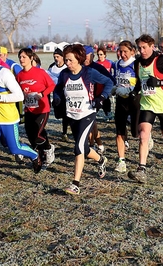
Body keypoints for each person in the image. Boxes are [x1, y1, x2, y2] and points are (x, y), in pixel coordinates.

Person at [0, 47, 42, 195]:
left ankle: (35, 156)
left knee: (14, 149)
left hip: (8, 120)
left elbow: (19, 96)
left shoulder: (4, 73)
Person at [52, 44, 113, 195]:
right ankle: (101, 160)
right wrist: (57, 99)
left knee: (78, 148)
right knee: (84, 149)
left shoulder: (89, 72)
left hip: (87, 114)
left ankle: (75, 184)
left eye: (70, 60)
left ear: (79, 59)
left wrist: (102, 97)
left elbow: (109, 82)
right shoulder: (64, 74)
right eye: (66, 60)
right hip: (72, 115)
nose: (67, 63)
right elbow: (58, 88)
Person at [127, 34, 163, 183]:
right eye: (140, 48)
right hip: (147, 104)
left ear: (152, 47)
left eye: (144, 47)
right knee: (144, 135)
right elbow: (139, 82)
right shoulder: (138, 63)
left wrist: (159, 83)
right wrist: (135, 91)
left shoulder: (162, 61)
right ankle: (141, 169)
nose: (142, 51)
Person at [16, 48, 56, 168]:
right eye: (20, 57)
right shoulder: (20, 75)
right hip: (29, 109)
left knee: (37, 134)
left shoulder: (40, 72)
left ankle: (48, 148)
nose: (21, 59)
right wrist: (22, 96)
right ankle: (41, 158)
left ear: (31, 58)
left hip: (42, 110)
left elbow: (51, 85)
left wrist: (42, 94)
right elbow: (18, 90)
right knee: (31, 136)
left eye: (24, 57)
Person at [84, 45, 116, 153]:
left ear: (92, 56)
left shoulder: (98, 68)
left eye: (87, 56)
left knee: (91, 123)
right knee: (91, 123)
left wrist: (103, 95)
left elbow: (111, 81)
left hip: (97, 98)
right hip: (84, 101)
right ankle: (96, 144)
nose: (85, 58)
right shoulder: (78, 68)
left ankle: (95, 144)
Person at [112, 40, 138, 173]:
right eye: (120, 51)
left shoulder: (136, 64)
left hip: (134, 101)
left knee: (135, 132)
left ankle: (147, 135)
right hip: (121, 102)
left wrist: (130, 90)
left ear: (132, 51)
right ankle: (121, 161)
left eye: (125, 52)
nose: (122, 54)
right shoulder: (116, 64)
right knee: (119, 132)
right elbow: (115, 80)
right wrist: (114, 88)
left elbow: (140, 82)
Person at [48, 48, 69, 142]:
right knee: (58, 114)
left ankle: (64, 133)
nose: (56, 58)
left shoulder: (66, 66)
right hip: (56, 92)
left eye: (58, 56)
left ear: (62, 57)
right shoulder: (51, 67)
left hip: (66, 92)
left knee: (65, 114)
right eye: (54, 57)